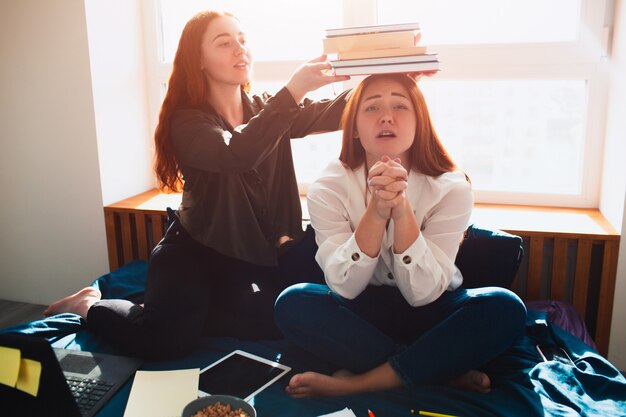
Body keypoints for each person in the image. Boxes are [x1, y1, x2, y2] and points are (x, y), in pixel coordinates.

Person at [43, 9, 351, 360]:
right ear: (199, 60)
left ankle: (191, 307)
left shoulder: (265, 108)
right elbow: (236, 153)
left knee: (281, 321)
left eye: (242, 40)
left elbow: (339, 110)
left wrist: (397, 76)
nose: (240, 49)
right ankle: (86, 304)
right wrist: (293, 89)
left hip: (250, 255)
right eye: (224, 43)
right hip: (195, 254)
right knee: (164, 342)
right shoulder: (187, 122)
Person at [273, 73, 527, 397]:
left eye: (400, 106)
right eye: (372, 108)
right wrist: (377, 212)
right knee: (293, 302)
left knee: (505, 307)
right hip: (361, 310)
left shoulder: (451, 187)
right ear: (353, 127)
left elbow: (422, 294)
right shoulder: (328, 187)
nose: (386, 116)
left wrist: (400, 207)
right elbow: (345, 286)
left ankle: (361, 382)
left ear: (419, 121)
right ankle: (436, 371)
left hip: (434, 306)